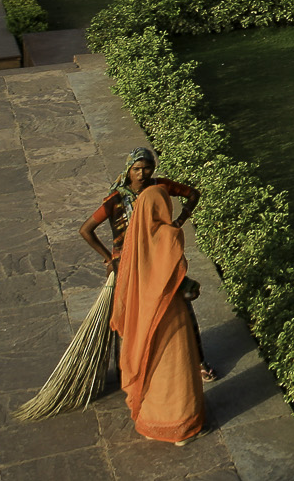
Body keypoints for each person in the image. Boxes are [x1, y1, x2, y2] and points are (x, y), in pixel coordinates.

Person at [79, 148, 211, 443]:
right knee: (151, 329)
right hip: (132, 268)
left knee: (134, 323)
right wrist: (110, 258)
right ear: (129, 169)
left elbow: (192, 194)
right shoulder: (118, 199)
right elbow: (86, 229)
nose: (143, 174)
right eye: (137, 169)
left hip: (143, 270)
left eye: (147, 168)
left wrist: (180, 220)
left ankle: (136, 371)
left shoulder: (157, 189)